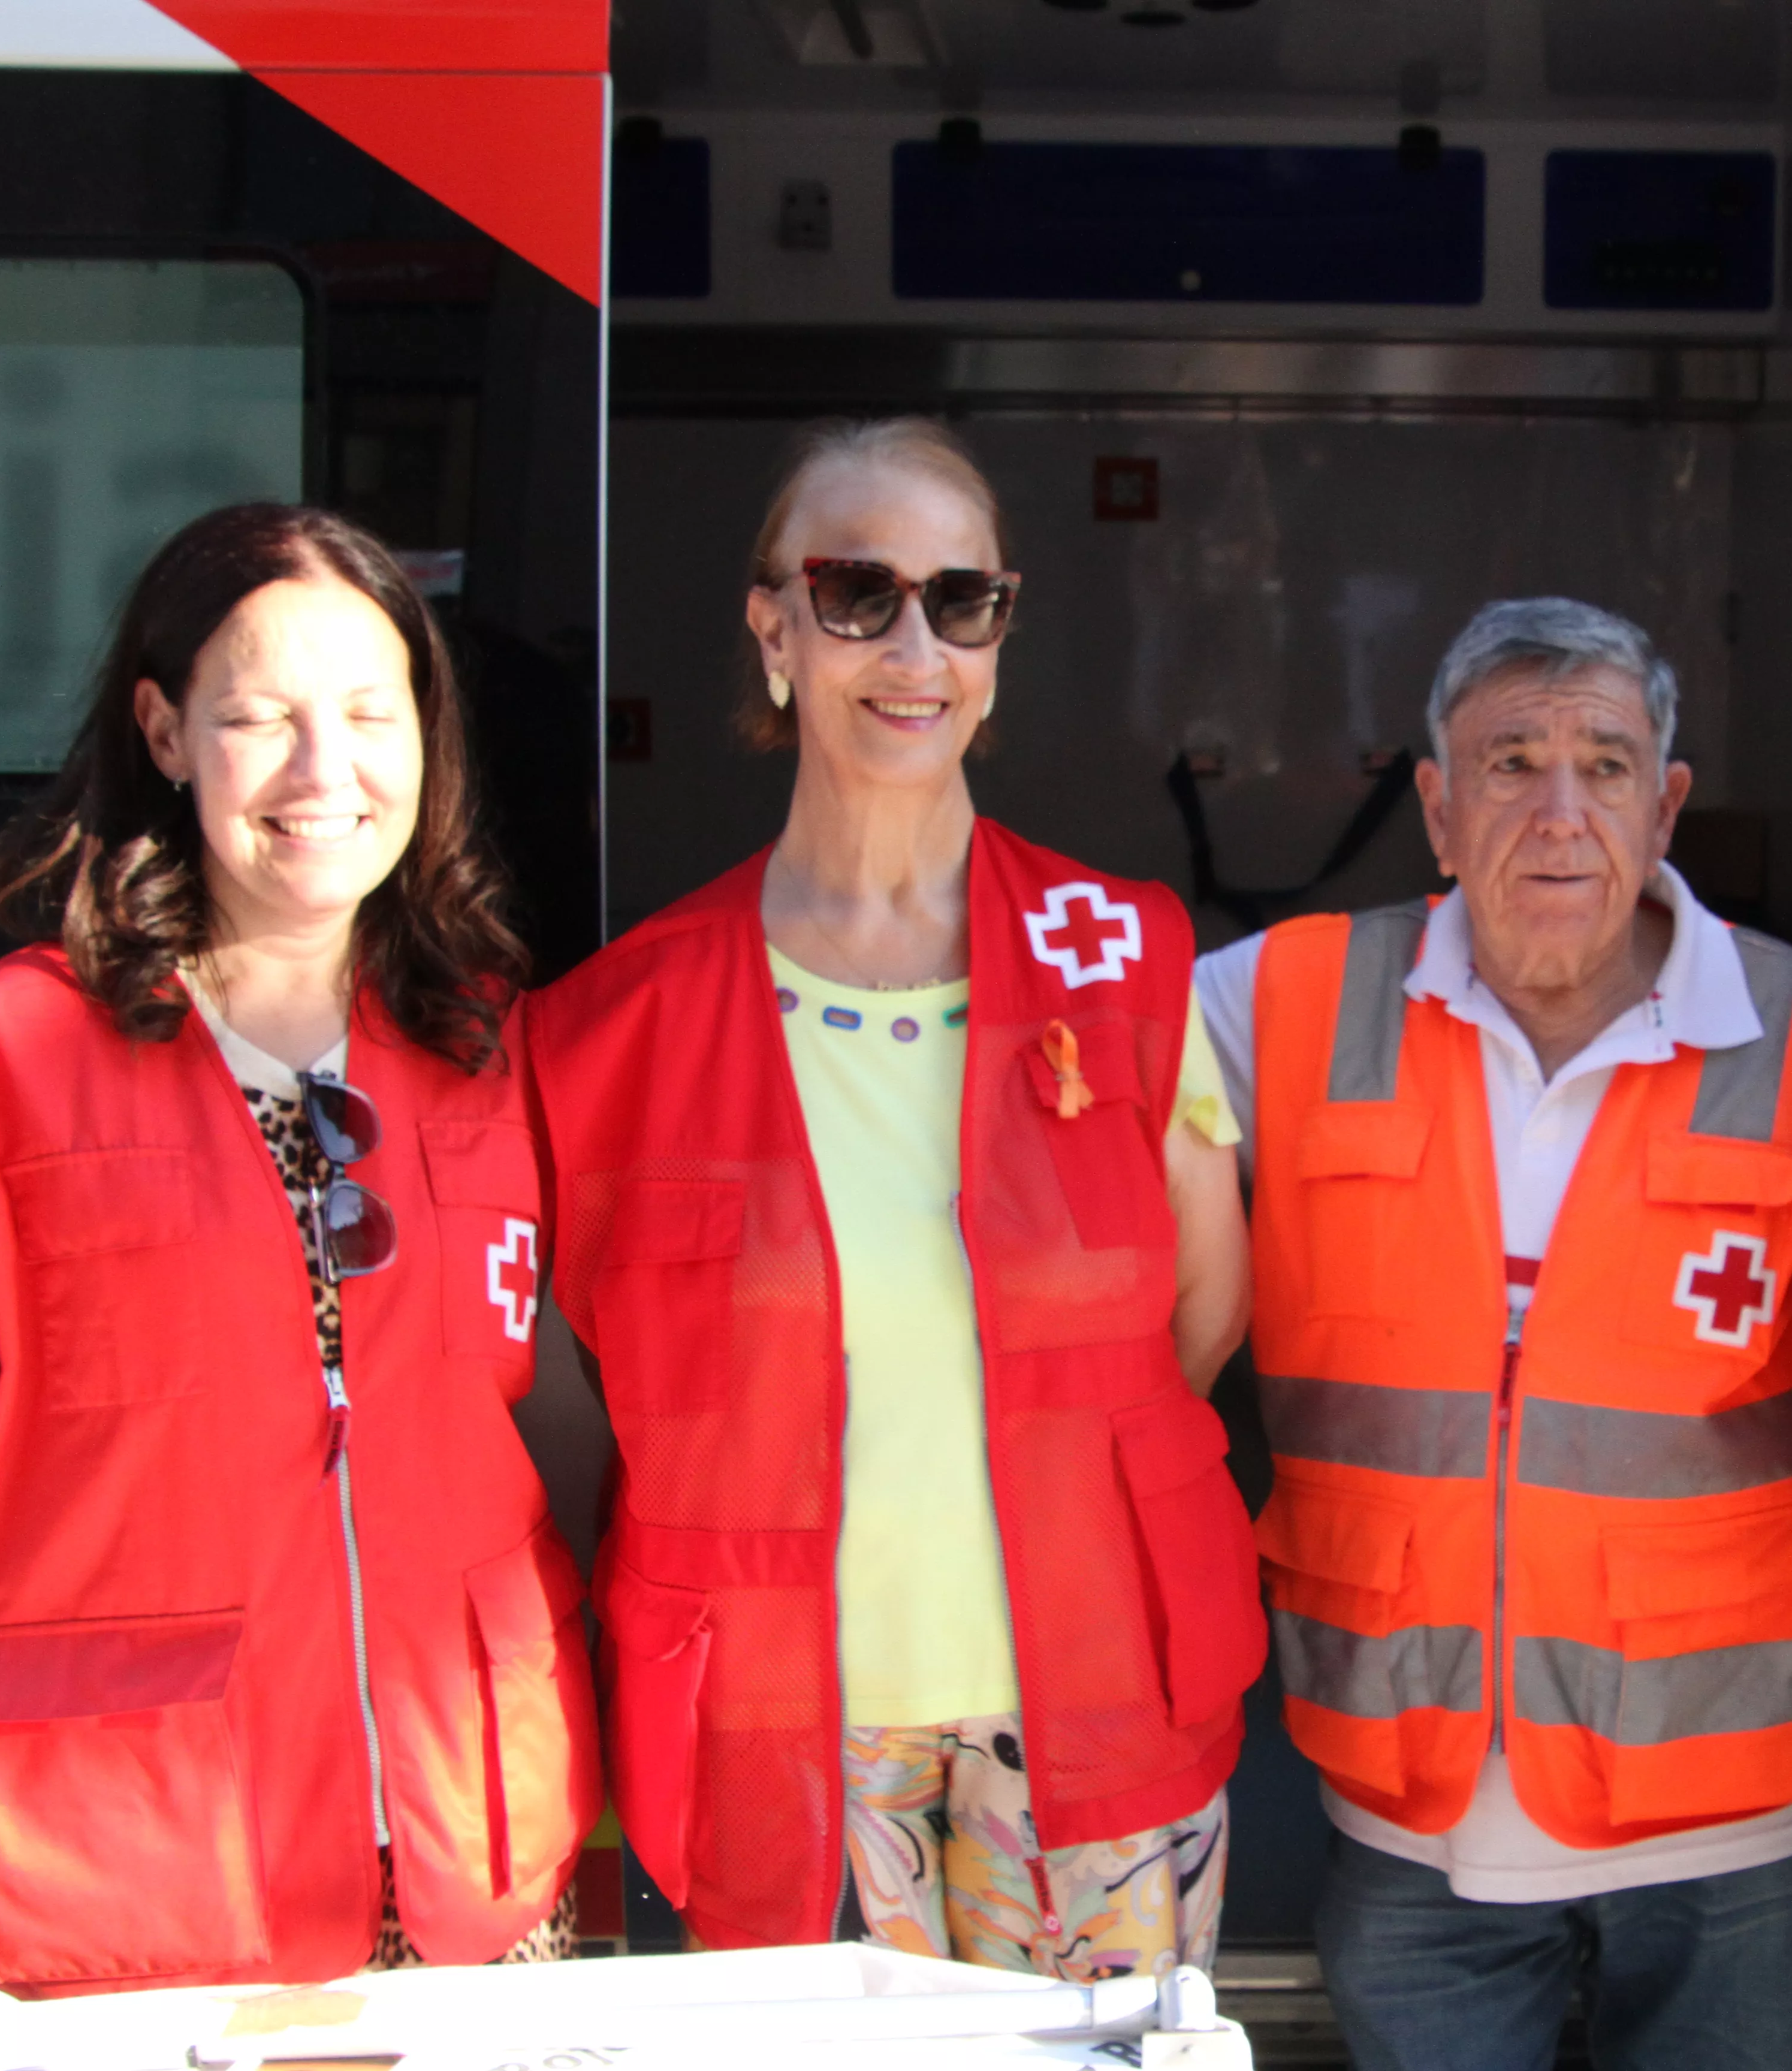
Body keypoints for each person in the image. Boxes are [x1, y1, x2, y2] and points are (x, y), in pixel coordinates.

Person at [0, 503, 601, 1996]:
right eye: (260, 717)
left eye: (373, 714)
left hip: (468, 1850)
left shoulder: (496, 1043)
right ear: (166, 732)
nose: (327, 772)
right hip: (138, 1869)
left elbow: (546, 1411)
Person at [527, 418, 1264, 1974]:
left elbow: (1198, 1316)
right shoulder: (610, 1028)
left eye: (962, 600)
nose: (913, 645)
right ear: (774, 625)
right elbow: (582, 1392)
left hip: (1091, 1707)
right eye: (858, 593)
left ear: (1000, 632)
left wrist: (1058, 1469)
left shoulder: (1121, 955)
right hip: (784, 1729)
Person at [1194, 598, 1792, 2071]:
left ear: (1669, 804)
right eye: (1510, 764)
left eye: (1607, 763)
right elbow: (1044, 1063)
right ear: (1437, 810)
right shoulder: (1279, 1001)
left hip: (1730, 1811)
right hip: (1408, 1808)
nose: (1562, 813)